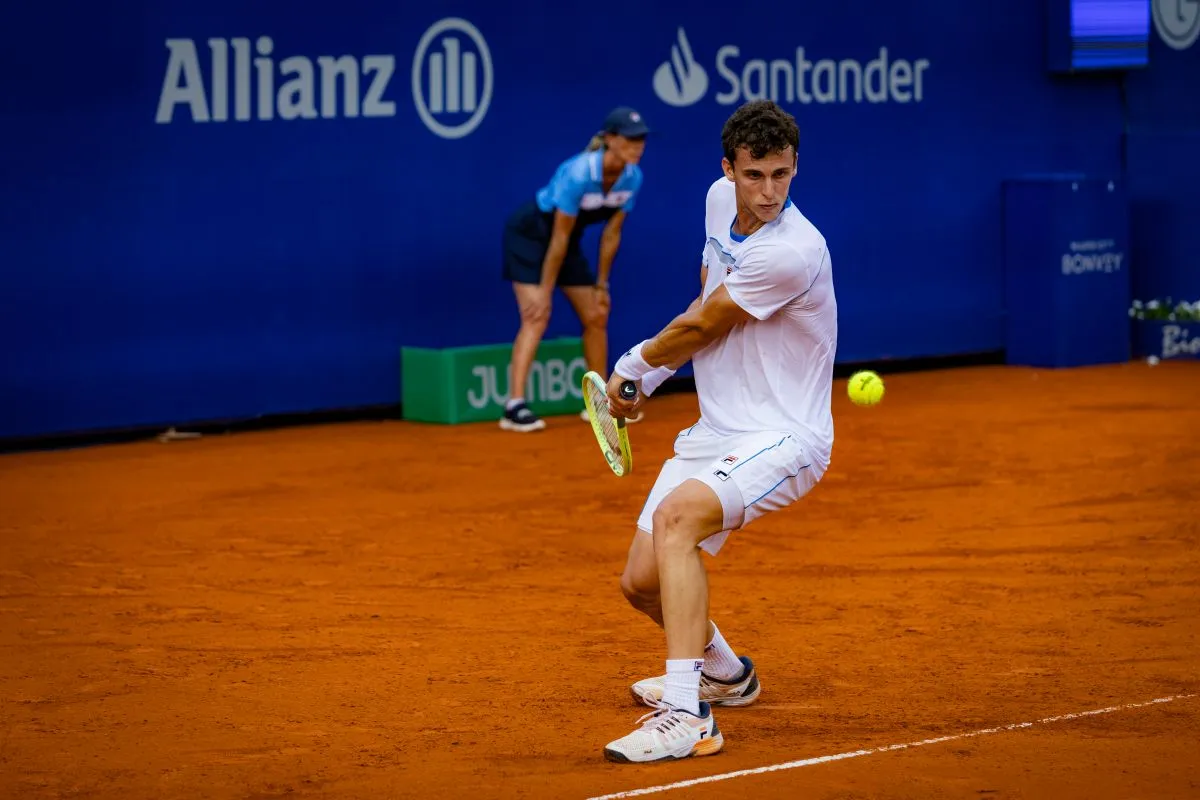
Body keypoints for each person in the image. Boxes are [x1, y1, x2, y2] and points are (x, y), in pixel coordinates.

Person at [600, 99, 838, 763]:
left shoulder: (792, 250)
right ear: (728, 170)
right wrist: (644, 379)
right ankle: (727, 675)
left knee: (679, 521)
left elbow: (709, 324)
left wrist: (632, 369)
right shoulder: (716, 204)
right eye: (755, 175)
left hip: (785, 436)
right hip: (719, 427)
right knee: (640, 583)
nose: (769, 192)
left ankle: (686, 715)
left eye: (782, 175)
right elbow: (703, 303)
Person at [499, 107, 649, 432]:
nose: (638, 145)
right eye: (630, 139)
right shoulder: (579, 173)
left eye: (641, 140)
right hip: (532, 237)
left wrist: (602, 284)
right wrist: (544, 289)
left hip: (565, 243)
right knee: (537, 313)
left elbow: (611, 235)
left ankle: (601, 403)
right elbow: (559, 236)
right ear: (609, 139)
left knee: (596, 314)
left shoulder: (633, 177)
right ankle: (514, 405)